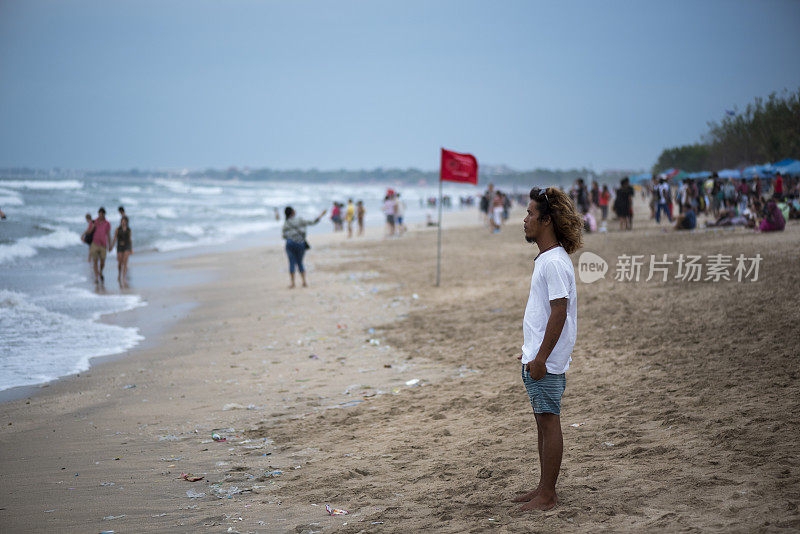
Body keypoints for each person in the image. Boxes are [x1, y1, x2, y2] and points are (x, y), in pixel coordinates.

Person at [513, 186, 582, 512]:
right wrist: (530, 351)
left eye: (530, 214)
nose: (525, 219)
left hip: (547, 362)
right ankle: (543, 487)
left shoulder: (554, 262)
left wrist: (540, 358)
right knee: (542, 422)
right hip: (539, 356)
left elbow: (559, 311)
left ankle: (548, 495)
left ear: (546, 221)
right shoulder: (548, 260)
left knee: (549, 421)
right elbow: (544, 314)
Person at [282, 206, 326, 288]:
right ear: (292, 212)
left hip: (290, 243)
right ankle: (304, 282)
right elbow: (312, 222)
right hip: (300, 243)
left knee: (291, 262)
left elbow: (284, 236)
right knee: (300, 262)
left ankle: (292, 283)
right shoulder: (299, 220)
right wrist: (321, 215)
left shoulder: (286, 223)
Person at [89, 207, 112, 284]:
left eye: (102, 214)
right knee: (95, 261)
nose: (100, 216)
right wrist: (93, 226)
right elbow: (89, 231)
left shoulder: (107, 223)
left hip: (103, 245)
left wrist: (110, 245)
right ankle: (96, 277)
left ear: (104, 214)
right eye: (99, 214)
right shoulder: (94, 222)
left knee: (102, 262)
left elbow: (108, 234)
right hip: (95, 243)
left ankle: (101, 272)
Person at [110, 215, 133, 286]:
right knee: (120, 263)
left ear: (126, 222)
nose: (123, 222)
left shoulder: (129, 229)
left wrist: (131, 249)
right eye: (122, 221)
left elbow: (130, 240)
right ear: (121, 222)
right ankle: (119, 274)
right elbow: (114, 239)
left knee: (125, 262)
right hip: (119, 247)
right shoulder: (118, 229)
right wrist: (111, 246)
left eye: (124, 221)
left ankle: (123, 278)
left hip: (127, 246)